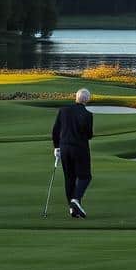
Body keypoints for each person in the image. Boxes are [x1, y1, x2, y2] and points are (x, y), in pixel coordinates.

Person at [52, 88, 94, 218]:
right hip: (80, 149)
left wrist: (56, 147)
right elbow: (89, 135)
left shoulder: (63, 110)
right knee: (85, 176)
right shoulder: (87, 114)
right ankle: (75, 199)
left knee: (69, 178)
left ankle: (72, 209)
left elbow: (55, 130)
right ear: (86, 100)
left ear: (76, 98)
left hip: (64, 148)